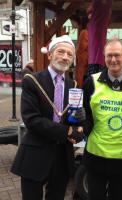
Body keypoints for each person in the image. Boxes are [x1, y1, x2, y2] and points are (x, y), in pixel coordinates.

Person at [11, 35, 84, 200]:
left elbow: (74, 121)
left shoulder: (73, 85)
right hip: (35, 153)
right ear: (50, 55)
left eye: (69, 54)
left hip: (62, 156)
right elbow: (32, 120)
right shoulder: (33, 80)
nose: (65, 57)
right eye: (61, 52)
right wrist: (67, 131)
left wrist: (80, 121)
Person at [82, 38, 122, 200]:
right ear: (104, 57)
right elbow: (86, 115)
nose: (113, 59)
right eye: (109, 55)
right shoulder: (91, 82)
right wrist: (79, 125)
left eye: (117, 55)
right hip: (96, 156)